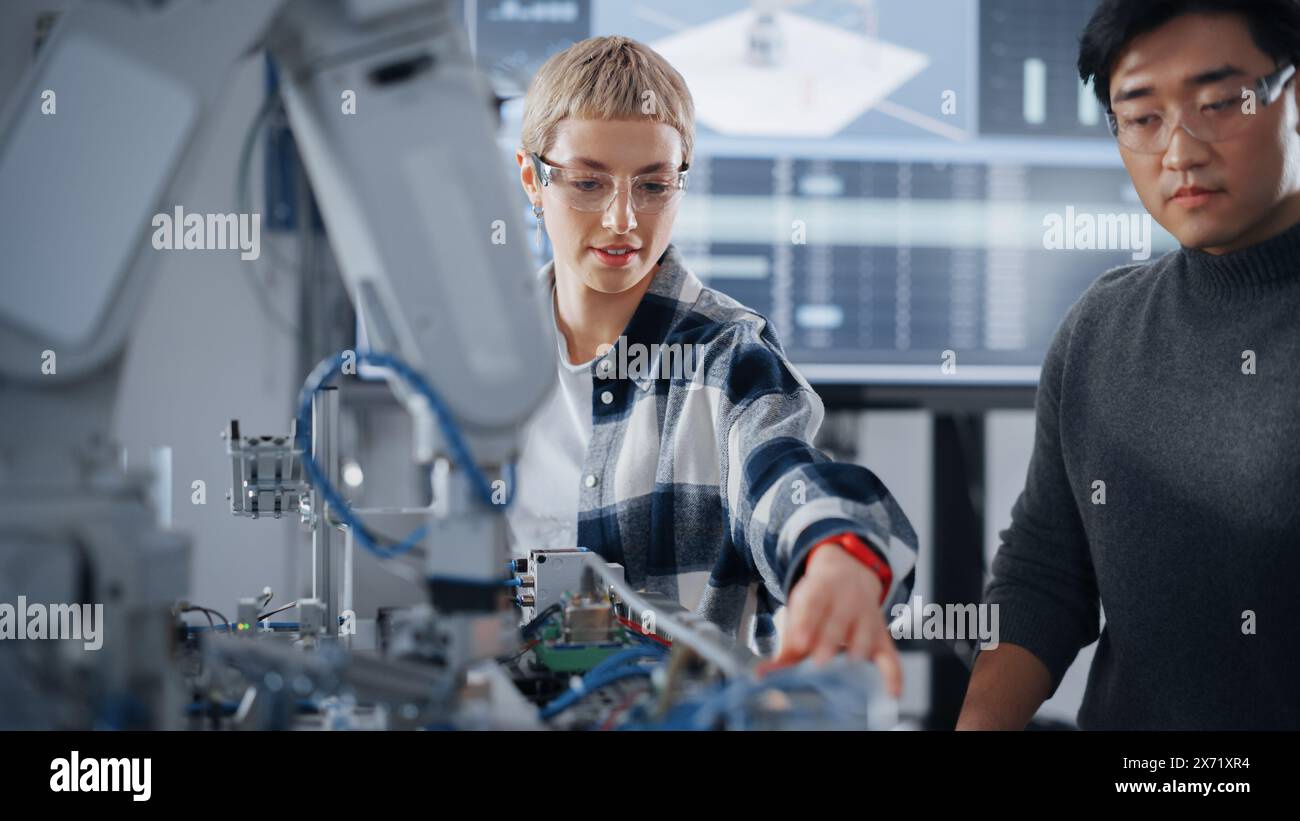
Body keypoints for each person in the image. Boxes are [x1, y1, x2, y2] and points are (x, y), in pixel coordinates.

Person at [507, 36, 918, 688]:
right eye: (588, 183)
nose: (622, 219)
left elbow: (782, 474)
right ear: (534, 179)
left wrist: (835, 555)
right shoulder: (480, 358)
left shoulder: (728, 358)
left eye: (653, 185)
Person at [958, 0, 1300, 730]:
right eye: (1142, 118)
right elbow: (1045, 575)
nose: (1180, 151)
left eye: (1217, 102)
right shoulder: (1101, 327)